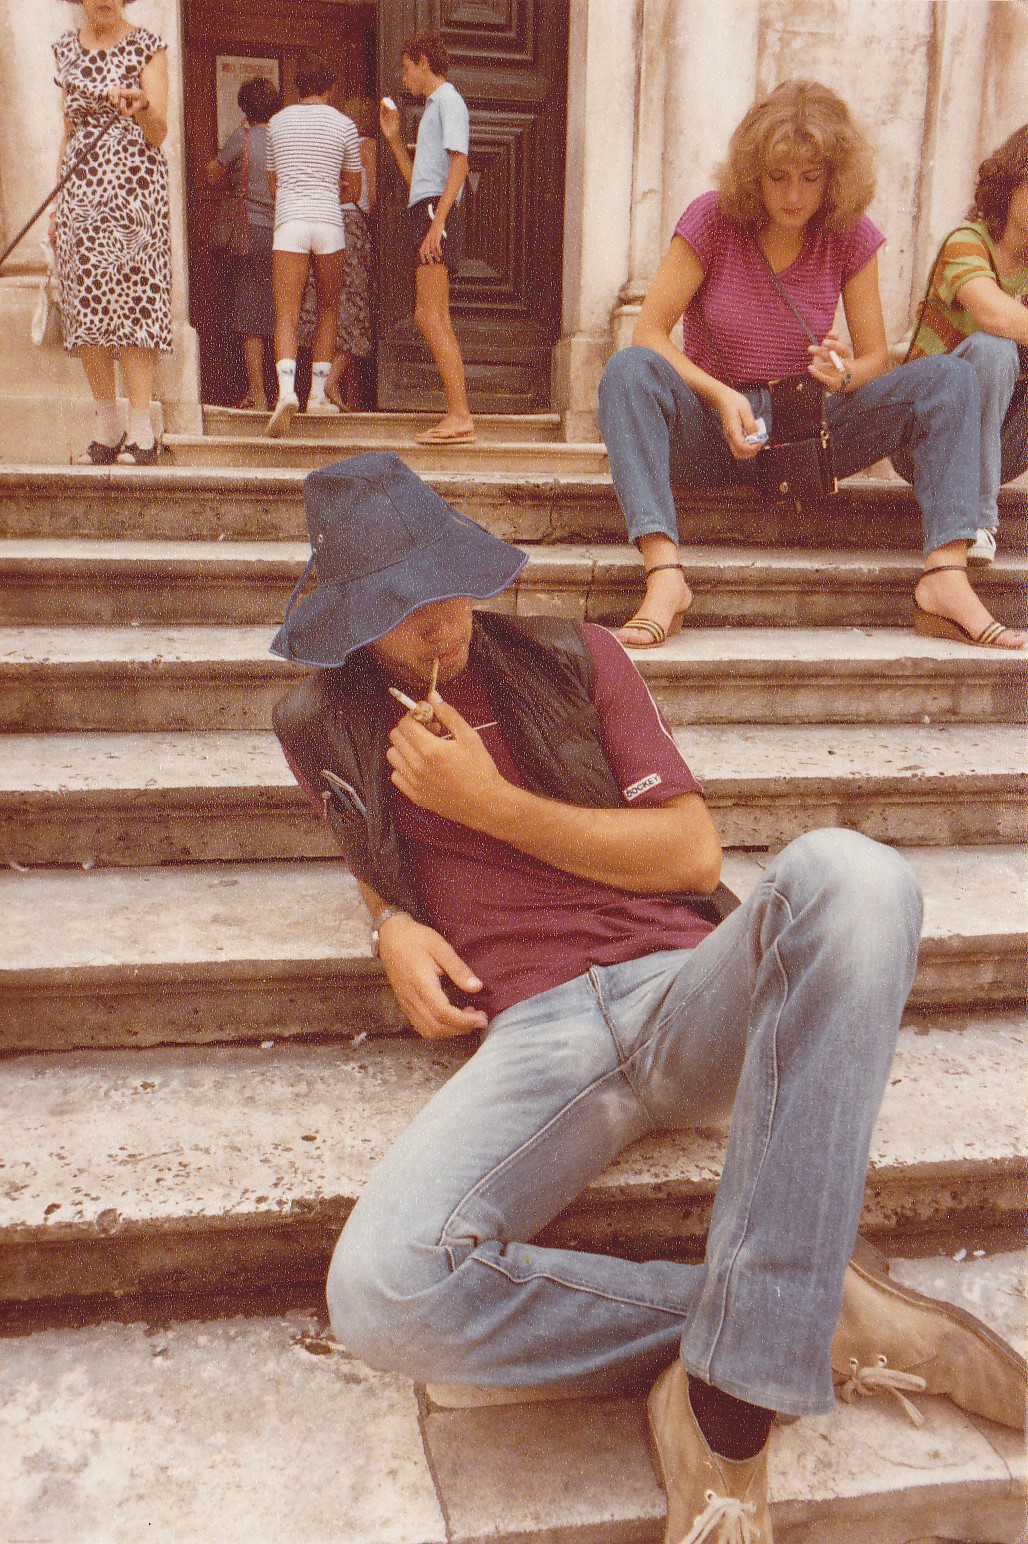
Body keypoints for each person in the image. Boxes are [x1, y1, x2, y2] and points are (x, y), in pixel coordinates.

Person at [271, 451, 1027, 1544]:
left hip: (681, 992)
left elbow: (690, 854)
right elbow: (368, 851)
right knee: (382, 1293)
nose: (441, 621)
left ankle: (731, 1393)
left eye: (450, 586)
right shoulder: (318, 723)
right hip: (531, 1038)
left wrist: (487, 804)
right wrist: (389, 922)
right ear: (351, 623)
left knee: (855, 875)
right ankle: (797, 1312)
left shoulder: (576, 657)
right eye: (402, 609)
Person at [598, 79, 1024, 652]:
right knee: (627, 369)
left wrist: (844, 375)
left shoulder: (849, 233)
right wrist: (723, 395)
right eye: (777, 177)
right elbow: (650, 332)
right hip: (712, 430)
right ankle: (664, 575)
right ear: (753, 173)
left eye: (810, 177)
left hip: (806, 430)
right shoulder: (712, 218)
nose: (793, 195)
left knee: (952, 375)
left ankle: (945, 576)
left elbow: (876, 358)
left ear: (834, 178)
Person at [902, 123, 1028, 566]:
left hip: (1001, 440)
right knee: (995, 348)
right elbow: (994, 314)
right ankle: (975, 520)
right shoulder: (966, 243)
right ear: (1011, 184)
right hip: (922, 435)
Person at [52, 0, 170, 466]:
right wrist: (57, 202)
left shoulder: (148, 46)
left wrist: (142, 107)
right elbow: (67, 131)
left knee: (135, 299)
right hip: (80, 190)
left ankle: (141, 430)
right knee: (86, 301)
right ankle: (107, 427)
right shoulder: (65, 48)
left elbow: (159, 132)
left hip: (134, 188)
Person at [380, 32, 474, 444]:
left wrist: (438, 225)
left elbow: (461, 163)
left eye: (406, 68)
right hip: (428, 209)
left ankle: (460, 415)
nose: (404, 78)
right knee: (434, 315)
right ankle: (458, 414)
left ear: (423, 61)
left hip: (436, 212)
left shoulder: (448, 100)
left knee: (429, 315)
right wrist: (393, 138)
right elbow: (416, 180)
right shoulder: (434, 107)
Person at [264, 57, 362, 436]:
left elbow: (273, 184)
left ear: (297, 86)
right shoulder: (345, 125)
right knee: (328, 309)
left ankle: (286, 391)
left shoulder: (277, 123)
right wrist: (331, 189)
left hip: (290, 222)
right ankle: (317, 395)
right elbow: (353, 188)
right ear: (331, 87)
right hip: (329, 223)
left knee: (286, 315)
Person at [297, 95, 377, 412]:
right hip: (354, 227)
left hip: (325, 221)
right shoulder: (367, 147)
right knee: (356, 305)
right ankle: (330, 381)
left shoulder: (332, 144)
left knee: (326, 304)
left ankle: (336, 387)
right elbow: (375, 196)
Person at [207, 76, 280, 411]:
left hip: (250, 232)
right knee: (281, 313)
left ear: (244, 107)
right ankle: (285, 389)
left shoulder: (243, 137)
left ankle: (257, 392)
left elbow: (212, 174)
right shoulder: (281, 136)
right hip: (283, 231)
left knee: (250, 313)